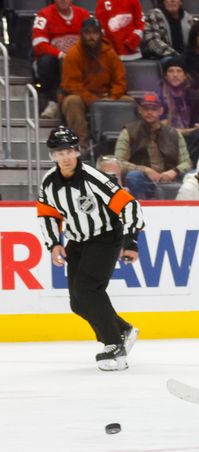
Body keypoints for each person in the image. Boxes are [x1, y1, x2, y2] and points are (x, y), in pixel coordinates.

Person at [37, 126, 144, 371]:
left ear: (76, 151)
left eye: (68, 151)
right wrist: (54, 243)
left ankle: (114, 344)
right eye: (58, 153)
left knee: (87, 289)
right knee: (78, 303)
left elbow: (129, 205)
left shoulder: (93, 177)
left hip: (105, 237)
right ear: (52, 156)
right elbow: (47, 214)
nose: (64, 157)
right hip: (77, 242)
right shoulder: (49, 183)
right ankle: (122, 330)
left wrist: (131, 241)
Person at [60, 18, 131, 153]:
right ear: (82, 34)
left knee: (129, 102)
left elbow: (120, 80)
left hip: (107, 96)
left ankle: (126, 145)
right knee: (72, 101)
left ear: (100, 34)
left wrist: (113, 98)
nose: (91, 37)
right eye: (87, 33)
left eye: (94, 33)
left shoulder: (110, 53)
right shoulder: (73, 54)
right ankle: (81, 146)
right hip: (82, 97)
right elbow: (71, 85)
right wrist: (93, 100)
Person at [114, 92, 192, 200]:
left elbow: (187, 162)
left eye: (153, 109)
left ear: (161, 111)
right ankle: (139, 210)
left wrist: (174, 171)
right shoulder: (128, 132)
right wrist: (144, 170)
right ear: (140, 110)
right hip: (143, 180)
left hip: (170, 179)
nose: (149, 112)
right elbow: (117, 162)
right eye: (145, 109)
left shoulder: (173, 133)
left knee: (196, 175)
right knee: (134, 176)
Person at [32, 0, 91, 119]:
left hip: (79, 59)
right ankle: (53, 101)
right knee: (47, 61)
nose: (63, 0)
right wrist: (61, 54)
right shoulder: (44, 14)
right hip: (54, 60)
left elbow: (93, 39)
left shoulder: (83, 14)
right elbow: (38, 43)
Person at [158, 56, 199, 132]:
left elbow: (197, 124)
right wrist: (187, 131)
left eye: (179, 71)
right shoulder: (159, 96)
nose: (175, 75)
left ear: (185, 76)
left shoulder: (195, 96)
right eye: (171, 71)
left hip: (191, 137)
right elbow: (162, 128)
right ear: (165, 76)